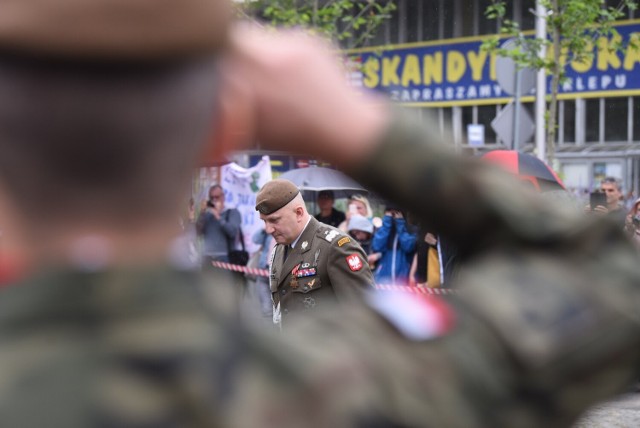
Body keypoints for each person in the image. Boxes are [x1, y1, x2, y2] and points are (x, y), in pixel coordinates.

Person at [0, 4, 639, 428]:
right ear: (224, 128)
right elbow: (616, 283)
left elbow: (352, 295)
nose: (271, 228)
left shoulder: (332, 248)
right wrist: (355, 127)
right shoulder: (325, 392)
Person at [255, 179, 374, 324]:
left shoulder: (336, 247)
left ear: (298, 213)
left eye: (274, 220)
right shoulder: (279, 250)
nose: (268, 229)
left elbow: (364, 315)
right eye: (264, 221)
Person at [196, 184, 242, 270]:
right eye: (211, 197)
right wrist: (202, 213)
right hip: (207, 257)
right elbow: (197, 233)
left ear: (223, 197)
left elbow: (232, 233)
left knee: (224, 283)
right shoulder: (207, 214)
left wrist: (218, 217)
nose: (214, 200)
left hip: (224, 257)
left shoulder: (232, 212)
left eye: (216, 197)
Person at [371, 205, 418, 285]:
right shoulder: (382, 229)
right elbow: (377, 246)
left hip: (403, 279)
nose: (393, 215)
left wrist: (400, 223)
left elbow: (408, 247)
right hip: (383, 279)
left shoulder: (411, 230)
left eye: (396, 212)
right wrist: (386, 222)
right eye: (390, 212)